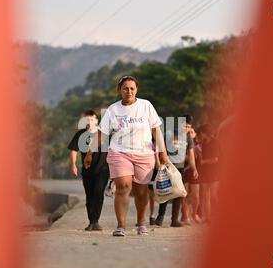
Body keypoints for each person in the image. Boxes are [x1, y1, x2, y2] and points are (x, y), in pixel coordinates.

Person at [84, 75, 169, 236]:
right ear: (120, 90)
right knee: (123, 186)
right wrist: (90, 152)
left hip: (144, 154)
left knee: (141, 191)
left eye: (132, 88)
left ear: (136, 90)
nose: (129, 91)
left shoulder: (146, 106)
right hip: (119, 152)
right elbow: (101, 134)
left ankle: (141, 223)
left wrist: (162, 152)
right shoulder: (113, 109)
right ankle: (121, 225)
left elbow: (156, 130)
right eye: (125, 88)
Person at [67, 109, 109, 231]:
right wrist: (73, 165)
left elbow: (113, 151)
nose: (89, 121)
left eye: (92, 119)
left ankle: (96, 220)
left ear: (96, 120)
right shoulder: (80, 134)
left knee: (98, 192)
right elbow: (74, 150)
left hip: (103, 169)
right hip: (87, 170)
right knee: (89, 195)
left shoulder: (104, 135)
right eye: (86, 119)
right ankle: (91, 221)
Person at [154, 115, 198, 227]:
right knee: (166, 190)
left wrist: (194, 169)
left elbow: (191, 155)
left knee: (178, 193)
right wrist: (158, 163)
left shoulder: (188, 138)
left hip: (180, 169)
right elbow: (158, 148)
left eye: (189, 127)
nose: (186, 128)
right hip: (168, 166)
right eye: (185, 125)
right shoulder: (169, 134)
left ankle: (174, 220)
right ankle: (160, 216)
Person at [197, 123, 220, 223]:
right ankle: (208, 217)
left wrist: (203, 161)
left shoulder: (215, 142)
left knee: (214, 195)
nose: (200, 135)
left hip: (215, 172)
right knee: (206, 195)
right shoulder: (204, 143)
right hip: (205, 172)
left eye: (201, 133)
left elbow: (215, 159)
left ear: (205, 133)